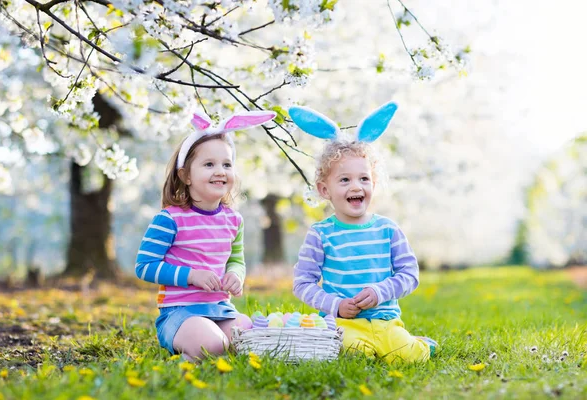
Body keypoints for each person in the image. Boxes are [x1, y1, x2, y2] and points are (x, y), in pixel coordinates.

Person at [290, 102, 437, 363]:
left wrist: (382, 291)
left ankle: (421, 345)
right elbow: (303, 283)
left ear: (374, 182)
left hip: (385, 320)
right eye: (344, 180)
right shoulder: (321, 234)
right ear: (325, 190)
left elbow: (410, 274)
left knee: (411, 358)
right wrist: (334, 306)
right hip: (343, 323)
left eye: (364, 178)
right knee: (354, 354)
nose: (355, 186)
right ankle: (368, 345)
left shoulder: (387, 229)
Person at [135, 110, 275, 360]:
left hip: (220, 309)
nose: (220, 171)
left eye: (227, 164)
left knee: (249, 336)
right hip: (180, 313)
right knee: (214, 345)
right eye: (209, 164)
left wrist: (235, 275)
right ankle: (186, 360)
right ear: (186, 175)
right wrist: (192, 276)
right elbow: (145, 266)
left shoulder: (233, 220)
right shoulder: (170, 219)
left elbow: (236, 259)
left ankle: (208, 351)